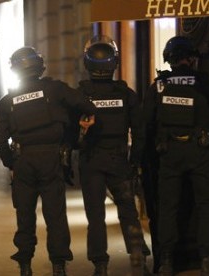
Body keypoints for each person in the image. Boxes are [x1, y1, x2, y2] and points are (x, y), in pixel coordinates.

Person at [0, 47, 96, 276]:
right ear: (40, 66)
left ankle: (25, 265)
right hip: (52, 159)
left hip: (24, 162)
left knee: (25, 216)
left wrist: (12, 164)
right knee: (56, 215)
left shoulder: (8, 100)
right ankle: (58, 266)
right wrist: (84, 121)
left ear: (15, 70)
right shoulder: (55, 89)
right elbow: (85, 105)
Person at [143, 36, 209, 276]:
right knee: (206, 205)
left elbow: (145, 121)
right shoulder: (204, 83)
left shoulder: (158, 86)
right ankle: (207, 260)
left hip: (168, 153)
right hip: (200, 152)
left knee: (168, 207)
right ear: (191, 59)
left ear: (168, 60)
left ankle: (167, 260)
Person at [77, 35, 151, 276]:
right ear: (114, 63)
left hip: (91, 160)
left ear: (88, 64)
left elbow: (70, 131)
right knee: (127, 207)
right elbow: (140, 132)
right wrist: (135, 162)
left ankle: (100, 264)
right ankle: (138, 254)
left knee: (95, 214)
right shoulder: (125, 93)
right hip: (119, 158)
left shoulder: (81, 94)